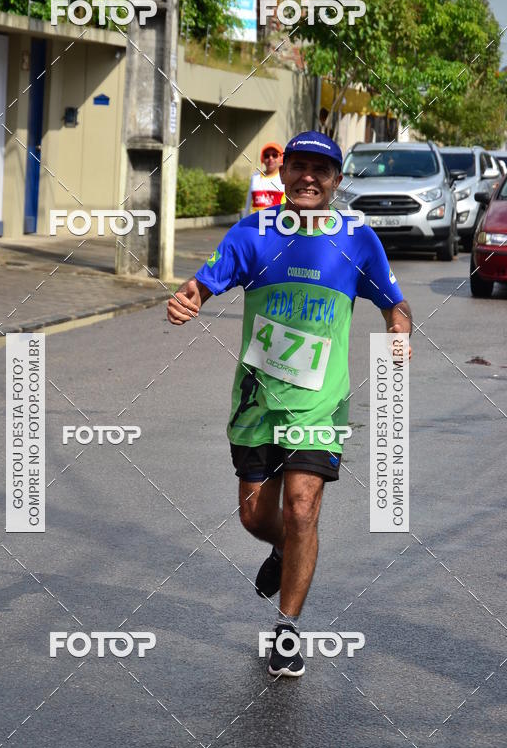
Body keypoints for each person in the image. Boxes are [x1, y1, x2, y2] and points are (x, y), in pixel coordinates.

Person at [167, 131, 412, 678]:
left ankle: (287, 630)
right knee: (257, 516)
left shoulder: (357, 237)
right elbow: (205, 282)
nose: (307, 177)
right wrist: (188, 299)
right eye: (298, 166)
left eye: (320, 170)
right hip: (256, 401)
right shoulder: (254, 230)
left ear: (336, 182)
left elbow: (395, 302)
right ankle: (284, 551)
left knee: (303, 507)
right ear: (283, 173)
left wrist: (399, 329)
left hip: (319, 406)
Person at [244, 142, 285, 215]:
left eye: (274, 155)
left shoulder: (285, 178)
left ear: (281, 157)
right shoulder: (255, 177)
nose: (270, 158)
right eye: (267, 156)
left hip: (277, 224)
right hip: (256, 224)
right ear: (262, 159)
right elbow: (247, 205)